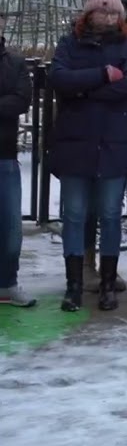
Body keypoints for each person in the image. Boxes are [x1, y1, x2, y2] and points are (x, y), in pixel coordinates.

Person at [49, 0, 127, 312]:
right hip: (76, 145)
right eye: (103, 11)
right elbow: (59, 79)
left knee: (110, 214)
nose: (109, 17)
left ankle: (107, 282)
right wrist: (103, 74)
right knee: (74, 214)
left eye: (114, 12)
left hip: (115, 145)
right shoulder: (69, 44)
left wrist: (84, 91)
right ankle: (73, 285)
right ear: (89, 13)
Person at [0, 23, 35, 307]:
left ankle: (7, 284)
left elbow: (21, 100)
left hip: (4, 154)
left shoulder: (15, 63)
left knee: (11, 228)